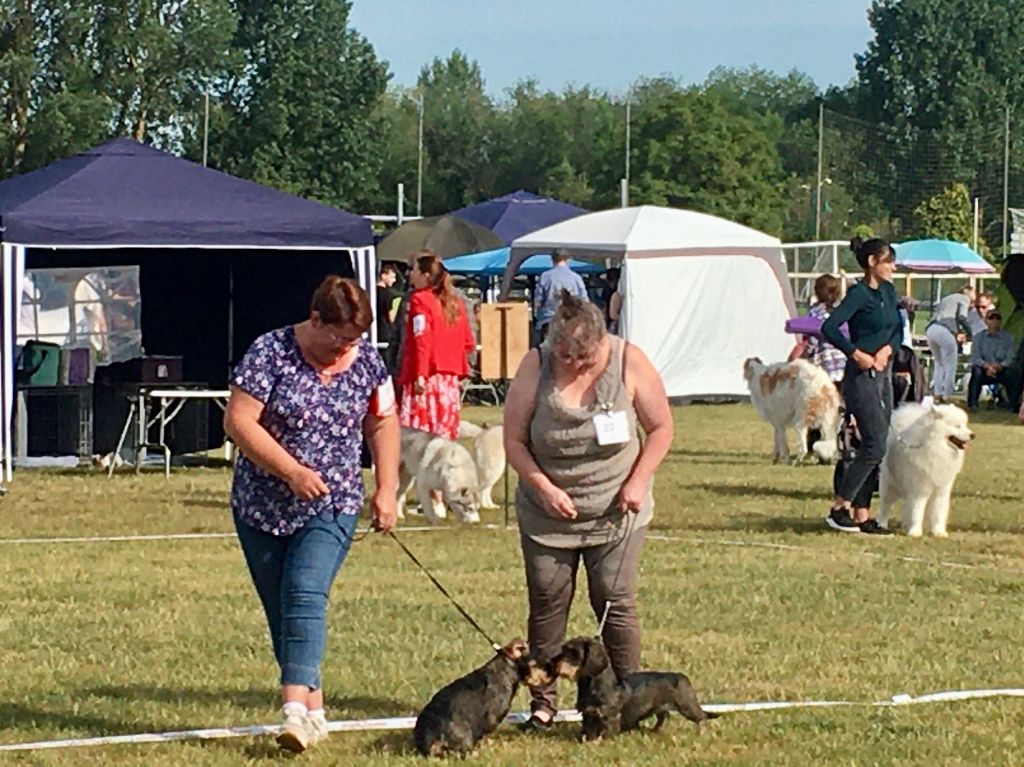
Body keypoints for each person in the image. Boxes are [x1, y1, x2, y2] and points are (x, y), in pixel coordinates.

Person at [224, 275, 400, 753]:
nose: (345, 348)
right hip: (261, 504)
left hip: (333, 501)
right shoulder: (270, 351)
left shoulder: (365, 361)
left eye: (354, 339)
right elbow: (238, 421)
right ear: (315, 319)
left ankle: (294, 713)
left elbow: (382, 421)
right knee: (282, 612)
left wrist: (387, 488)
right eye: (338, 337)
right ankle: (316, 708)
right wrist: (290, 471)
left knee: (305, 592)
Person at [503, 292, 674, 729]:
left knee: (614, 602)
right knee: (547, 603)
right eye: (566, 356)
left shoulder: (628, 360)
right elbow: (514, 442)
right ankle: (543, 703)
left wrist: (638, 480)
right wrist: (541, 486)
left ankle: (626, 698)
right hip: (547, 514)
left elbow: (661, 428)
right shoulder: (535, 366)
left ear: (602, 341)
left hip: (617, 510)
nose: (576, 364)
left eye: (585, 357)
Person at [822, 237, 902, 535]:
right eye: (889, 261)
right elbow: (829, 328)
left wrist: (887, 350)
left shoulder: (889, 292)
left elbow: (897, 329)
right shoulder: (858, 294)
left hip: (884, 374)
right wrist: (857, 353)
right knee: (874, 443)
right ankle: (838, 507)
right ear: (872, 263)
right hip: (860, 378)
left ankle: (862, 515)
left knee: (876, 446)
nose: (894, 267)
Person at [398, 250, 475, 440]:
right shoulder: (456, 303)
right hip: (449, 379)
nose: (410, 274)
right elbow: (468, 341)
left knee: (417, 437)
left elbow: (421, 339)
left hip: (426, 376)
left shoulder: (420, 300)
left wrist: (420, 375)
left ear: (425, 275)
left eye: (413, 270)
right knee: (445, 434)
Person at [925, 284, 974, 402]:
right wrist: (970, 333)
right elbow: (962, 317)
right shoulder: (964, 298)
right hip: (943, 331)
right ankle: (948, 395)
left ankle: (937, 394)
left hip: (931, 329)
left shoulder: (947, 298)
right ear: (969, 292)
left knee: (939, 363)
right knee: (951, 365)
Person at [967, 310, 1019, 411]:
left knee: (1013, 373)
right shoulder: (978, 338)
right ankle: (973, 404)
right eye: (991, 318)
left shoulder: (1008, 338)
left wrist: (1000, 366)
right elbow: (975, 357)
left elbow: (1010, 357)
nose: (994, 320)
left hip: (1001, 369)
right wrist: (987, 366)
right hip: (984, 369)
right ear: (986, 321)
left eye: (997, 318)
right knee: (976, 372)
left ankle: (1013, 404)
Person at [534, 249, 588, 341]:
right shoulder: (576, 278)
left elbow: (538, 302)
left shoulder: (545, 277)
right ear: (568, 260)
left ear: (552, 260)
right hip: (571, 321)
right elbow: (585, 301)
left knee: (548, 351)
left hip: (549, 320)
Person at [803, 274, 846, 385]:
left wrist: (805, 354)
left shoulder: (815, 313)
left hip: (824, 362)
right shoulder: (843, 311)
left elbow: (813, 339)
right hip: (843, 360)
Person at [375, 263, 401, 350]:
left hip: (372, 332)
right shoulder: (389, 295)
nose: (394, 280)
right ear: (383, 276)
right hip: (385, 334)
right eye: (392, 277)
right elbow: (391, 317)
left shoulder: (368, 292)